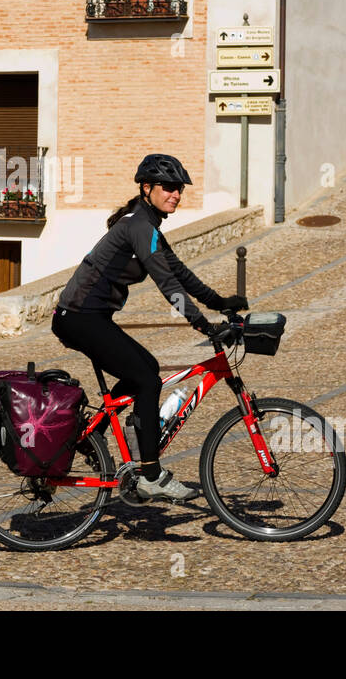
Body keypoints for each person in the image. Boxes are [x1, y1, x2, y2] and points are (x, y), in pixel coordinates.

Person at [51, 154, 248, 502]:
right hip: (79, 318)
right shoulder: (138, 226)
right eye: (168, 187)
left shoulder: (147, 226)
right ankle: (151, 474)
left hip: (88, 317)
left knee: (149, 372)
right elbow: (167, 283)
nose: (176, 194)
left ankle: (116, 431)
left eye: (179, 189)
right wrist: (203, 325)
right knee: (146, 378)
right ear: (146, 188)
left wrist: (221, 302)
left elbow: (181, 273)